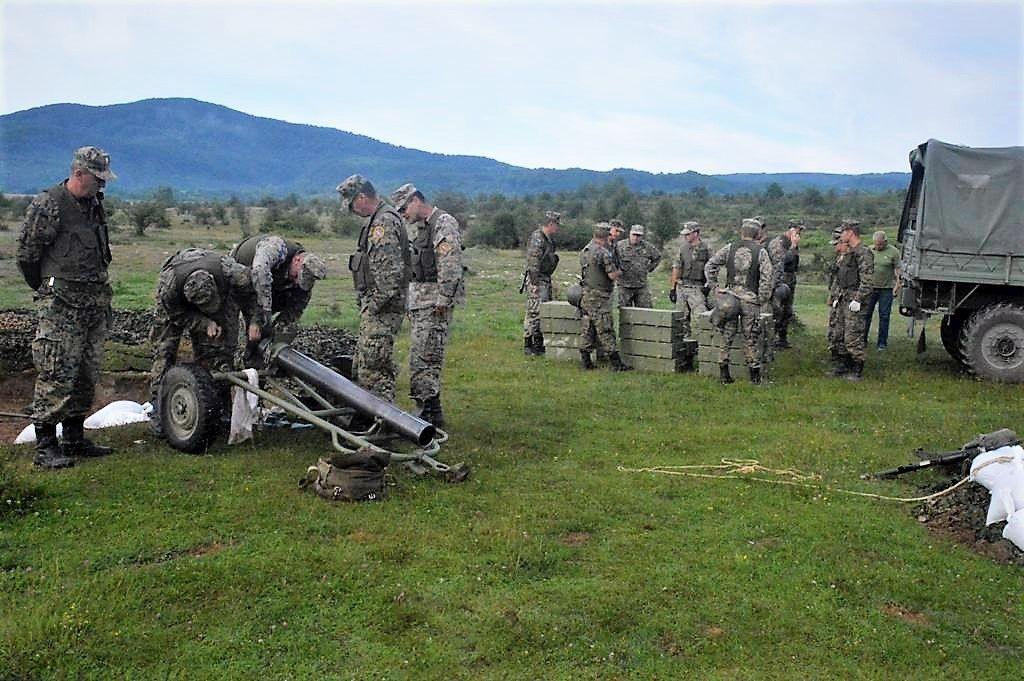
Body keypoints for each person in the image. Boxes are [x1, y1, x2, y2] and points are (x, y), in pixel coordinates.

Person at [16, 146, 117, 469]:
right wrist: (49, 290)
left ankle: (74, 438)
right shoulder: (49, 204)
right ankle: (46, 446)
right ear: (79, 173)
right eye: (97, 179)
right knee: (56, 372)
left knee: (86, 374)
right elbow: (28, 256)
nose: (101, 186)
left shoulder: (94, 205)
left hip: (94, 304)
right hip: (61, 307)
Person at [149, 248, 255, 433]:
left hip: (222, 297)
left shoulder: (232, 272)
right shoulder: (169, 288)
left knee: (219, 354)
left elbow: (251, 294)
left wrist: (255, 321)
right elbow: (176, 315)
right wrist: (203, 323)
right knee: (163, 355)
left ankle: (220, 411)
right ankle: (160, 414)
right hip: (177, 308)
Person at [390, 183, 465, 429]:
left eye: (404, 209)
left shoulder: (443, 223)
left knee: (425, 357)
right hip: (422, 300)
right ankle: (430, 410)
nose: (403, 215)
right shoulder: (423, 228)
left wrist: (443, 299)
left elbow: (450, 263)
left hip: (434, 303)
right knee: (422, 357)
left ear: (416, 200)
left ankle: (428, 412)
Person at [338, 174, 411, 404]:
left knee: (374, 369)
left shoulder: (383, 223)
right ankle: (371, 418)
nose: (351, 210)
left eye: (351, 204)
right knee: (366, 363)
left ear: (361, 197)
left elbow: (389, 277)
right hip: (378, 307)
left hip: (383, 309)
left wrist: (373, 305)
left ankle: (382, 423)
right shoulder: (377, 220)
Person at [704, 218, 774, 384]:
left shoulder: (730, 248)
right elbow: (767, 277)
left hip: (730, 299)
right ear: (758, 233)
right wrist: (762, 298)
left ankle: (724, 374)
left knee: (727, 335)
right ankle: (755, 377)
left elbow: (710, 265)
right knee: (750, 338)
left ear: (742, 232)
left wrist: (715, 287)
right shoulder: (761, 252)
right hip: (750, 301)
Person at [229, 235, 326, 346]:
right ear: (297, 260)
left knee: (264, 330)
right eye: (296, 276)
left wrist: (278, 330)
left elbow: (295, 309)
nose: (296, 282)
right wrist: (260, 317)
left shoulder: (303, 281)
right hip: (239, 276)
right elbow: (259, 275)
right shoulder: (275, 247)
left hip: (269, 286)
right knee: (243, 327)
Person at [579, 224, 631, 371]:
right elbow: (612, 275)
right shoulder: (603, 252)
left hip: (586, 294)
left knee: (588, 328)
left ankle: (586, 361)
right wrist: (621, 270)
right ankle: (616, 363)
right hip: (600, 296)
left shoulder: (585, 250)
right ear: (605, 236)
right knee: (605, 328)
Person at [828, 220, 874, 380]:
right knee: (839, 334)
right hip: (843, 298)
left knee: (852, 336)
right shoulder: (848, 253)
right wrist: (836, 297)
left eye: (843, 232)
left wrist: (859, 299)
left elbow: (867, 280)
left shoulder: (863, 252)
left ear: (850, 232)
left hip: (855, 300)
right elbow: (842, 277)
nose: (841, 236)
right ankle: (843, 365)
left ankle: (857, 368)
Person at [522, 211, 560, 356]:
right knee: (533, 311)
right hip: (536, 279)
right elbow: (533, 262)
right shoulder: (538, 238)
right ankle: (528, 343)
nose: (557, 228)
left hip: (544, 278)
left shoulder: (548, 239)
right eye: (556, 225)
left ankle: (538, 343)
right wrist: (535, 284)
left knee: (542, 312)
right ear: (551, 224)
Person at [767, 220, 804, 349]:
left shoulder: (791, 243)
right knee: (778, 310)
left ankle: (782, 339)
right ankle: (772, 338)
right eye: (797, 230)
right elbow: (781, 262)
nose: (799, 234)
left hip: (790, 280)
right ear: (791, 230)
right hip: (780, 281)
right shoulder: (779, 243)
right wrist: (793, 247)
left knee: (787, 311)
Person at [669, 221, 709, 338]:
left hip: (697, 288)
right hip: (682, 286)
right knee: (681, 319)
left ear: (696, 233)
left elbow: (712, 267)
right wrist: (673, 288)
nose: (685, 236)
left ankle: (705, 344)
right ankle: (684, 345)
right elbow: (676, 267)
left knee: (701, 317)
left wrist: (708, 285)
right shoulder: (682, 248)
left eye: (688, 234)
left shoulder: (706, 248)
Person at [863, 230, 900, 350]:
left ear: (885, 242)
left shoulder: (893, 252)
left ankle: (882, 343)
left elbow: (897, 269)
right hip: (870, 288)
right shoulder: (869, 250)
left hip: (886, 289)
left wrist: (897, 285)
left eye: (880, 244)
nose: (877, 246)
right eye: (875, 244)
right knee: (866, 314)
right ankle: (863, 340)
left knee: (884, 316)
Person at [615, 224, 662, 309]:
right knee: (625, 313)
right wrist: (617, 271)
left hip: (641, 286)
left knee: (646, 312)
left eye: (638, 235)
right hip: (624, 286)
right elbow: (612, 260)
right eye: (634, 234)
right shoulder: (619, 246)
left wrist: (649, 268)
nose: (636, 237)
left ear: (642, 236)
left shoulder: (648, 247)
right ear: (630, 234)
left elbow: (657, 257)